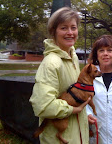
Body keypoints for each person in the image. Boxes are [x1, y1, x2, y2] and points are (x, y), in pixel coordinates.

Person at [29, 7, 90, 144]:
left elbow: (74, 95)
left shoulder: (72, 57)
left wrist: (84, 115)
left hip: (77, 136)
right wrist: (74, 110)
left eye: (73, 27)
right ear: (54, 31)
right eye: (63, 28)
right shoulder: (51, 63)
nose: (70, 32)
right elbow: (43, 105)